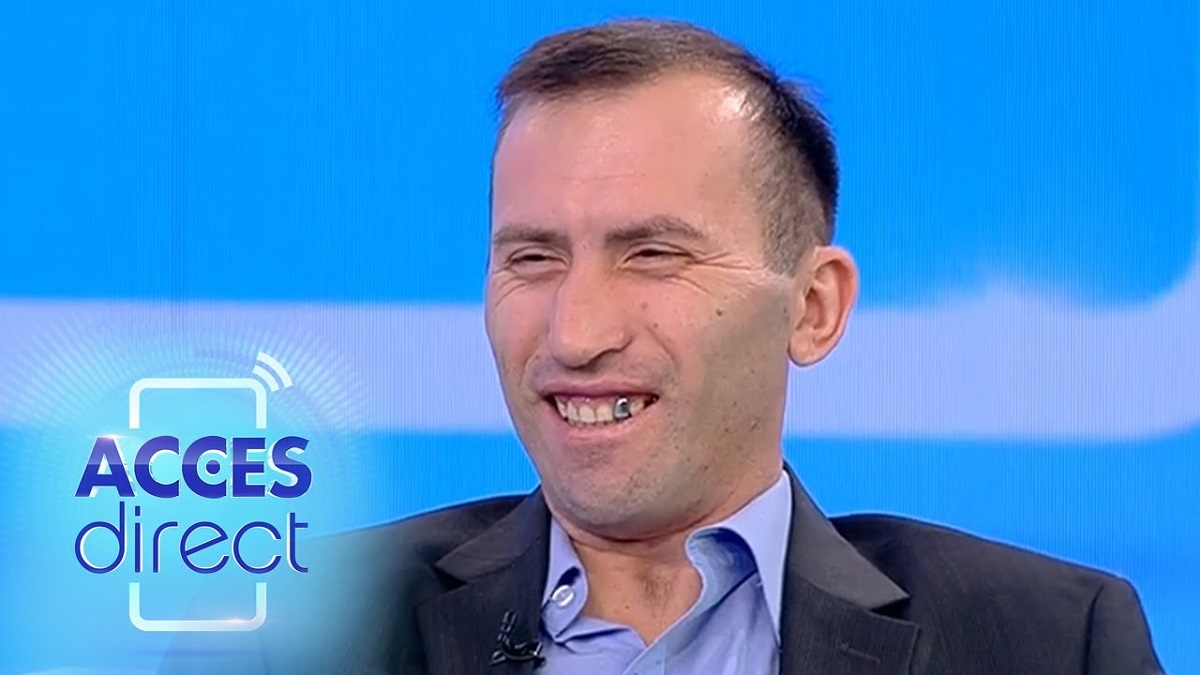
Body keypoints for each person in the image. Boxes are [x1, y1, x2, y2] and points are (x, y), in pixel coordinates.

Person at [161, 17, 1164, 675]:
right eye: (533, 258)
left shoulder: (1048, 641)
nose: (576, 332)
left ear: (814, 307)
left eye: (652, 254)